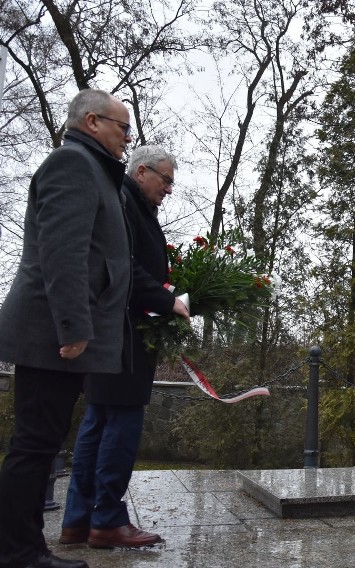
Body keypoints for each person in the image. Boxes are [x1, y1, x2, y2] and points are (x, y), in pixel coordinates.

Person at [0, 89, 132, 568]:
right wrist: (73, 327)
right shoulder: (72, 163)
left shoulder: (93, 168)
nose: (126, 138)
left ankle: (27, 546)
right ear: (93, 122)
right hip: (49, 335)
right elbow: (63, 253)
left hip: (57, 334)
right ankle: (18, 552)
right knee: (34, 446)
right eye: (122, 128)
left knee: (42, 443)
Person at [59, 146, 189, 549]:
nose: (169, 188)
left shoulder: (131, 204)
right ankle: (107, 520)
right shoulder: (124, 204)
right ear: (141, 171)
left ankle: (78, 521)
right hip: (124, 334)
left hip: (113, 331)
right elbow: (124, 267)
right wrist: (169, 301)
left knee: (97, 424)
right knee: (120, 425)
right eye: (164, 179)